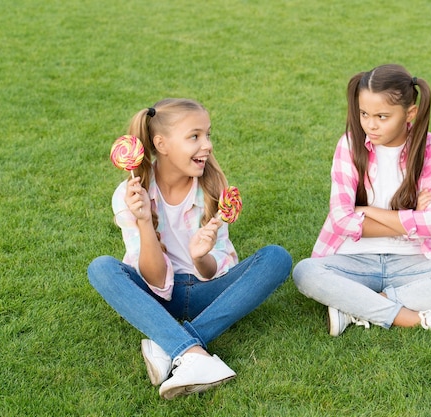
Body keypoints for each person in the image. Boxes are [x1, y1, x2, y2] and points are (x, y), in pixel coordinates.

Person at [87, 98, 292, 399]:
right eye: (194, 136)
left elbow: (213, 272)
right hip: (156, 297)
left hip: (209, 295)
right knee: (101, 268)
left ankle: (169, 344)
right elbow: (155, 280)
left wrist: (200, 256)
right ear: (162, 144)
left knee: (277, 258)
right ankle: (193, 352)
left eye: (208, 135)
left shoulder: (213, 189)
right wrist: (144, 221)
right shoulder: (129, 195)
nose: (207, 145)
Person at [293, 64, 431, 337]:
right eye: (364, 114)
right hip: (353, 258)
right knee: (305, 272)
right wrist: (408, 221)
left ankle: (355, 308)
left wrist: (365, 211)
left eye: (382, 116)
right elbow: (340, 221)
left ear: (410, 113)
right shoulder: (349, 144)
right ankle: (417, 319)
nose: (370, 124)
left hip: (410, 262)